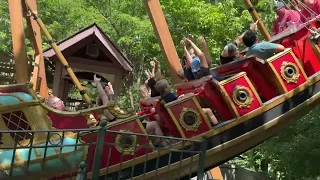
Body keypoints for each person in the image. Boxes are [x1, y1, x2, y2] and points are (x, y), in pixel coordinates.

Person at [154, 79, 219, 126]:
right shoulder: (169, 95)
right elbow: (176, 102)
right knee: (208, 110)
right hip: (185, 114)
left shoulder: (163, 98)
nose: (170, 86)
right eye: (168, 86)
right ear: (165, 89)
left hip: (180, 114)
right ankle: (216, 125)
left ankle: (210, 125)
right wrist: (183, 97)